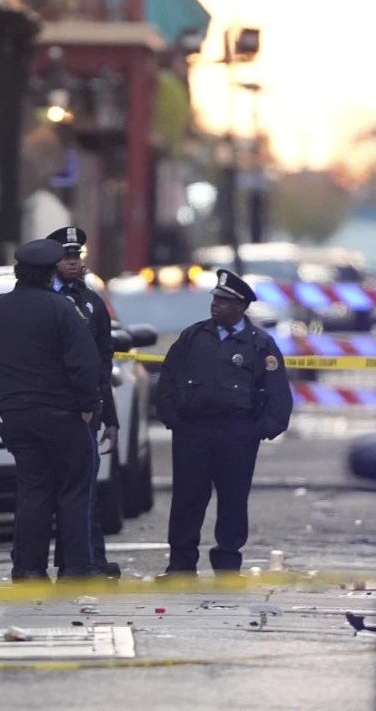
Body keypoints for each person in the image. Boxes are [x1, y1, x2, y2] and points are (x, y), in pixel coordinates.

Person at [0, 238, 103, 581]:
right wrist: (89, 405)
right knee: (74, 491)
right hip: (62, 413)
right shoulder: (62, 309)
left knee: (33, 490)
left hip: (16, 413)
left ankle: (28, 568)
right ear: (51, 274)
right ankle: (76, 567)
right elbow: (84, 363)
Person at [155, 268, 293, 576]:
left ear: (241, 307)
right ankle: (181, 565)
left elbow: (277, 389)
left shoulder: (259, 343)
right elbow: (168, 378)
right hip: (193, 432)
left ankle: (227, 566)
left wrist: (262, 429)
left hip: (237, 433)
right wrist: (173, 419)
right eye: (215, 298)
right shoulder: (194, 336)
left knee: (233, 500)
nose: (216, 304)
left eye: (224, 300)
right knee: (187, 499)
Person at [46, 226, 121, 578]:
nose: (72, 263)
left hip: (85, 410)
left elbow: (103, 363)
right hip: (51, 408)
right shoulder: (42, 298)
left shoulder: (92, 302)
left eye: (76, 257)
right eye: (65, 257)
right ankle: (66, 562)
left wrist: (110, 415)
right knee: (52, 492)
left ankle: (89, 560)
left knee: (85, 490)